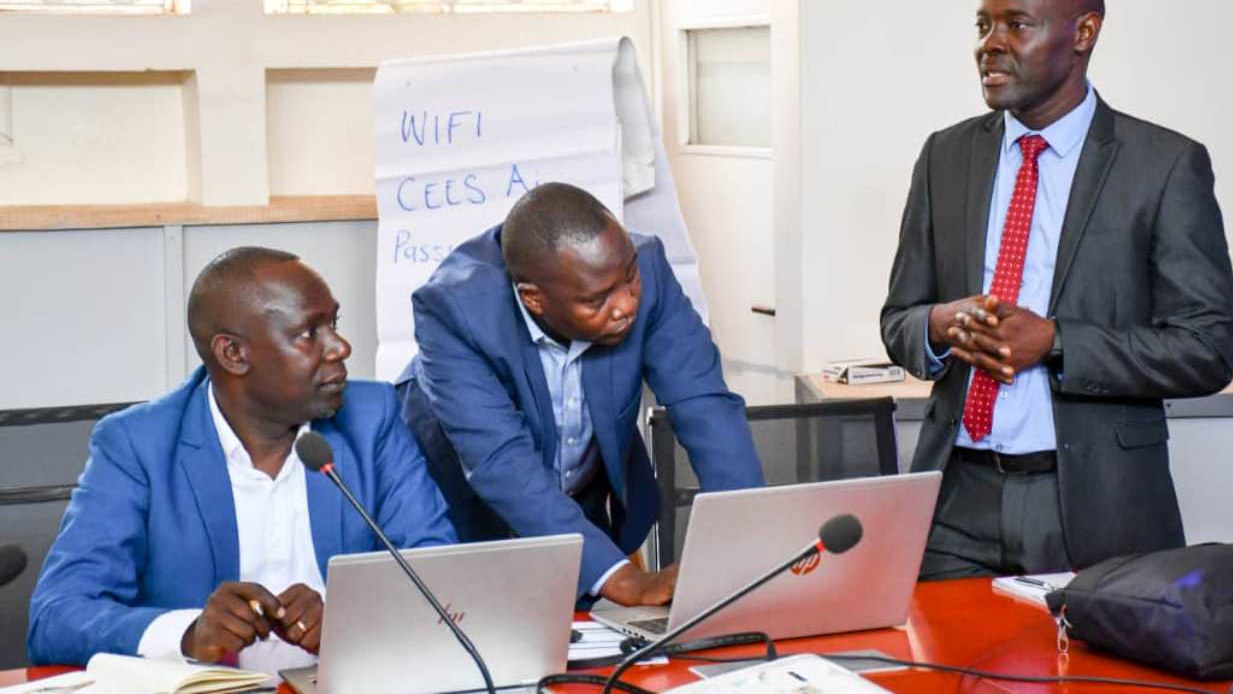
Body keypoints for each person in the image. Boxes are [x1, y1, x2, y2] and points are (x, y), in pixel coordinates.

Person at [880, 0, 1233, 579]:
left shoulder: (1163, 166)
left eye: (1016, 24)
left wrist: (1057, 343)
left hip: (1095, 509)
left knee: (1089, 682)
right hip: (953, 502)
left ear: (1083, 33)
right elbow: (899, 320)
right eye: (983, 25)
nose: (990, 44)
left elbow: (1207, 348)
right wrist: (939, 326)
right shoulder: (945, 156)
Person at [28, 248, 457, 670]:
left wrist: (351, 617)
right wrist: (189, 632)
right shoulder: (139, 444)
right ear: (233, 354)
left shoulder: (371, 416)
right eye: (310, 333)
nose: (339, 347)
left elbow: (439, 575)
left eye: (334, 324)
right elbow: (56, 616)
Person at [397, 183, 764, 605]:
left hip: (577, 520)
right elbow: (501, 463)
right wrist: (624, 580)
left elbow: (705, 405)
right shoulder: (455, 310)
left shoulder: (646, 267)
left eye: (630, 280)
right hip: (468, 525)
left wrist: (747, 539)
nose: (626, 304)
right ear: (533, 298)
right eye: (598, 300)